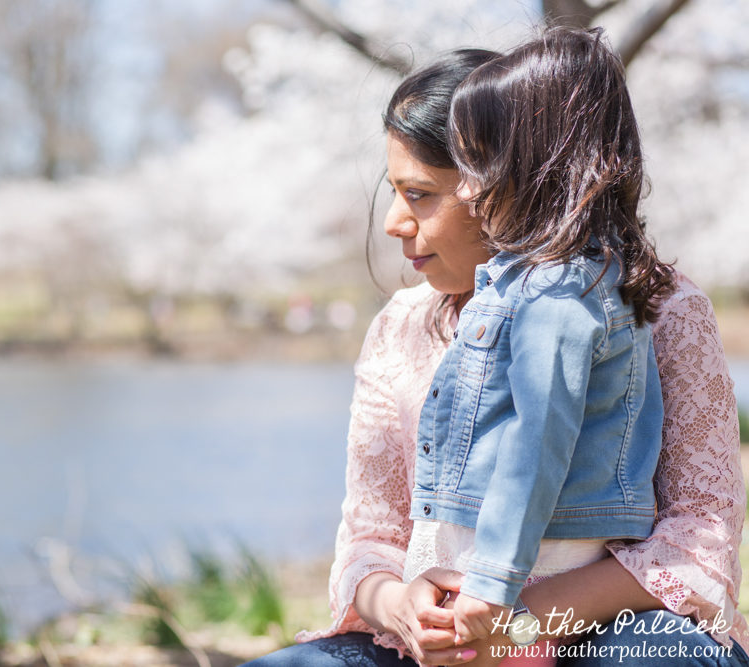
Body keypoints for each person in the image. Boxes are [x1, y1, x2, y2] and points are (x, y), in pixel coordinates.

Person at [243, 33, 748, 667]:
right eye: (394, 191)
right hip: (440, 637)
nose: (394, 222)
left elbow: (700, 535)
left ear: (513, 177)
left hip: (607, 630)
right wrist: (402, 605)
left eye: (421, 194)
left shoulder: (657, 310)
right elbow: (371, 538)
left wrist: (517, 621)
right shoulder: (401, 326)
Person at [399, 27, 672, 665]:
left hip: (530, 570)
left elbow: (536, 442)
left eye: (477, 163)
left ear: (539, 162)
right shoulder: (561, 279)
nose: (466, 189)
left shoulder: (554, 297)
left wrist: (493, 586)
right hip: (526, 564)